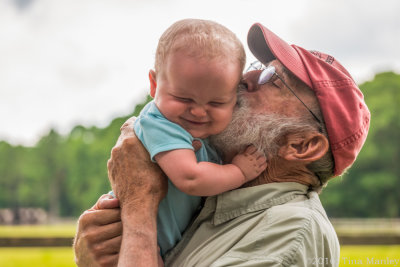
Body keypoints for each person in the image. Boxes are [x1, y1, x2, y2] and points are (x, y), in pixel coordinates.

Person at [74, 22, 370, 267]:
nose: (245, 78)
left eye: (273, 79)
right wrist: (94, 258)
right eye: (259, 66)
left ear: (302, 146)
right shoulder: (215, 196)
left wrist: (139, 205)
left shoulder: (289, 233)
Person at [117, 19, 267, 260]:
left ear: (234, 99)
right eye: (183, 98)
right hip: (136, 245)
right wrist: (239, 171)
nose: (198, 112)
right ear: (154, 85)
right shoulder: (159, 123)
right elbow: (190, 178)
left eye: (216, 103)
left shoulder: (203, 131)